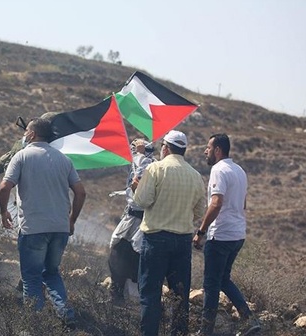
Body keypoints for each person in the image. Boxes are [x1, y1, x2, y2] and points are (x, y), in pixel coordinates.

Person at [0, 117, 86, 327]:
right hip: (60, 228)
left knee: (31, 277)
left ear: (31, 134)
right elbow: (81, 193)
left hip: (33, 228)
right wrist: (72, 220)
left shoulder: (22, 156)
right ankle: (66, 316)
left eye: (26, 131)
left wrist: (3, 212)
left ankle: (33, 323)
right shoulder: (64, 159)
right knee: (52, 273)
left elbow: (4, 187)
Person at [133, 130, 206, 336]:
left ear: (165, 148)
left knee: (150, 293)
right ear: (184, 150)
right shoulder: (195, 175)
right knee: (180, 296)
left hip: (156, 240)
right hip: (182, 241)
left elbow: (142, 201)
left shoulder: (156, 168)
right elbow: (200, 211)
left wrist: (135, 188)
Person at [192, 134, 261, 336]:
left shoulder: (218, 170)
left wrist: (201, 231)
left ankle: (206, 331)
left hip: (220, 235)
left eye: (208, 147)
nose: (205, 151)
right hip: (238, 234)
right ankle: (249, 319)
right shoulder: (239, 171)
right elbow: (244, 203)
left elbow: (216, 203)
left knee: (211, 284)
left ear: (218, 150)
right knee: (223, 279)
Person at [108, 139, 155, 304]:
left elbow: (140, 183)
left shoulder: (148, 165)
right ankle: (121, 297)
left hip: (139, 220)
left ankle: (124, 300)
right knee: (119, 255)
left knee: (122, 257)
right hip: (133, 219)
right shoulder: (144, 164)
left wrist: (140, 154)